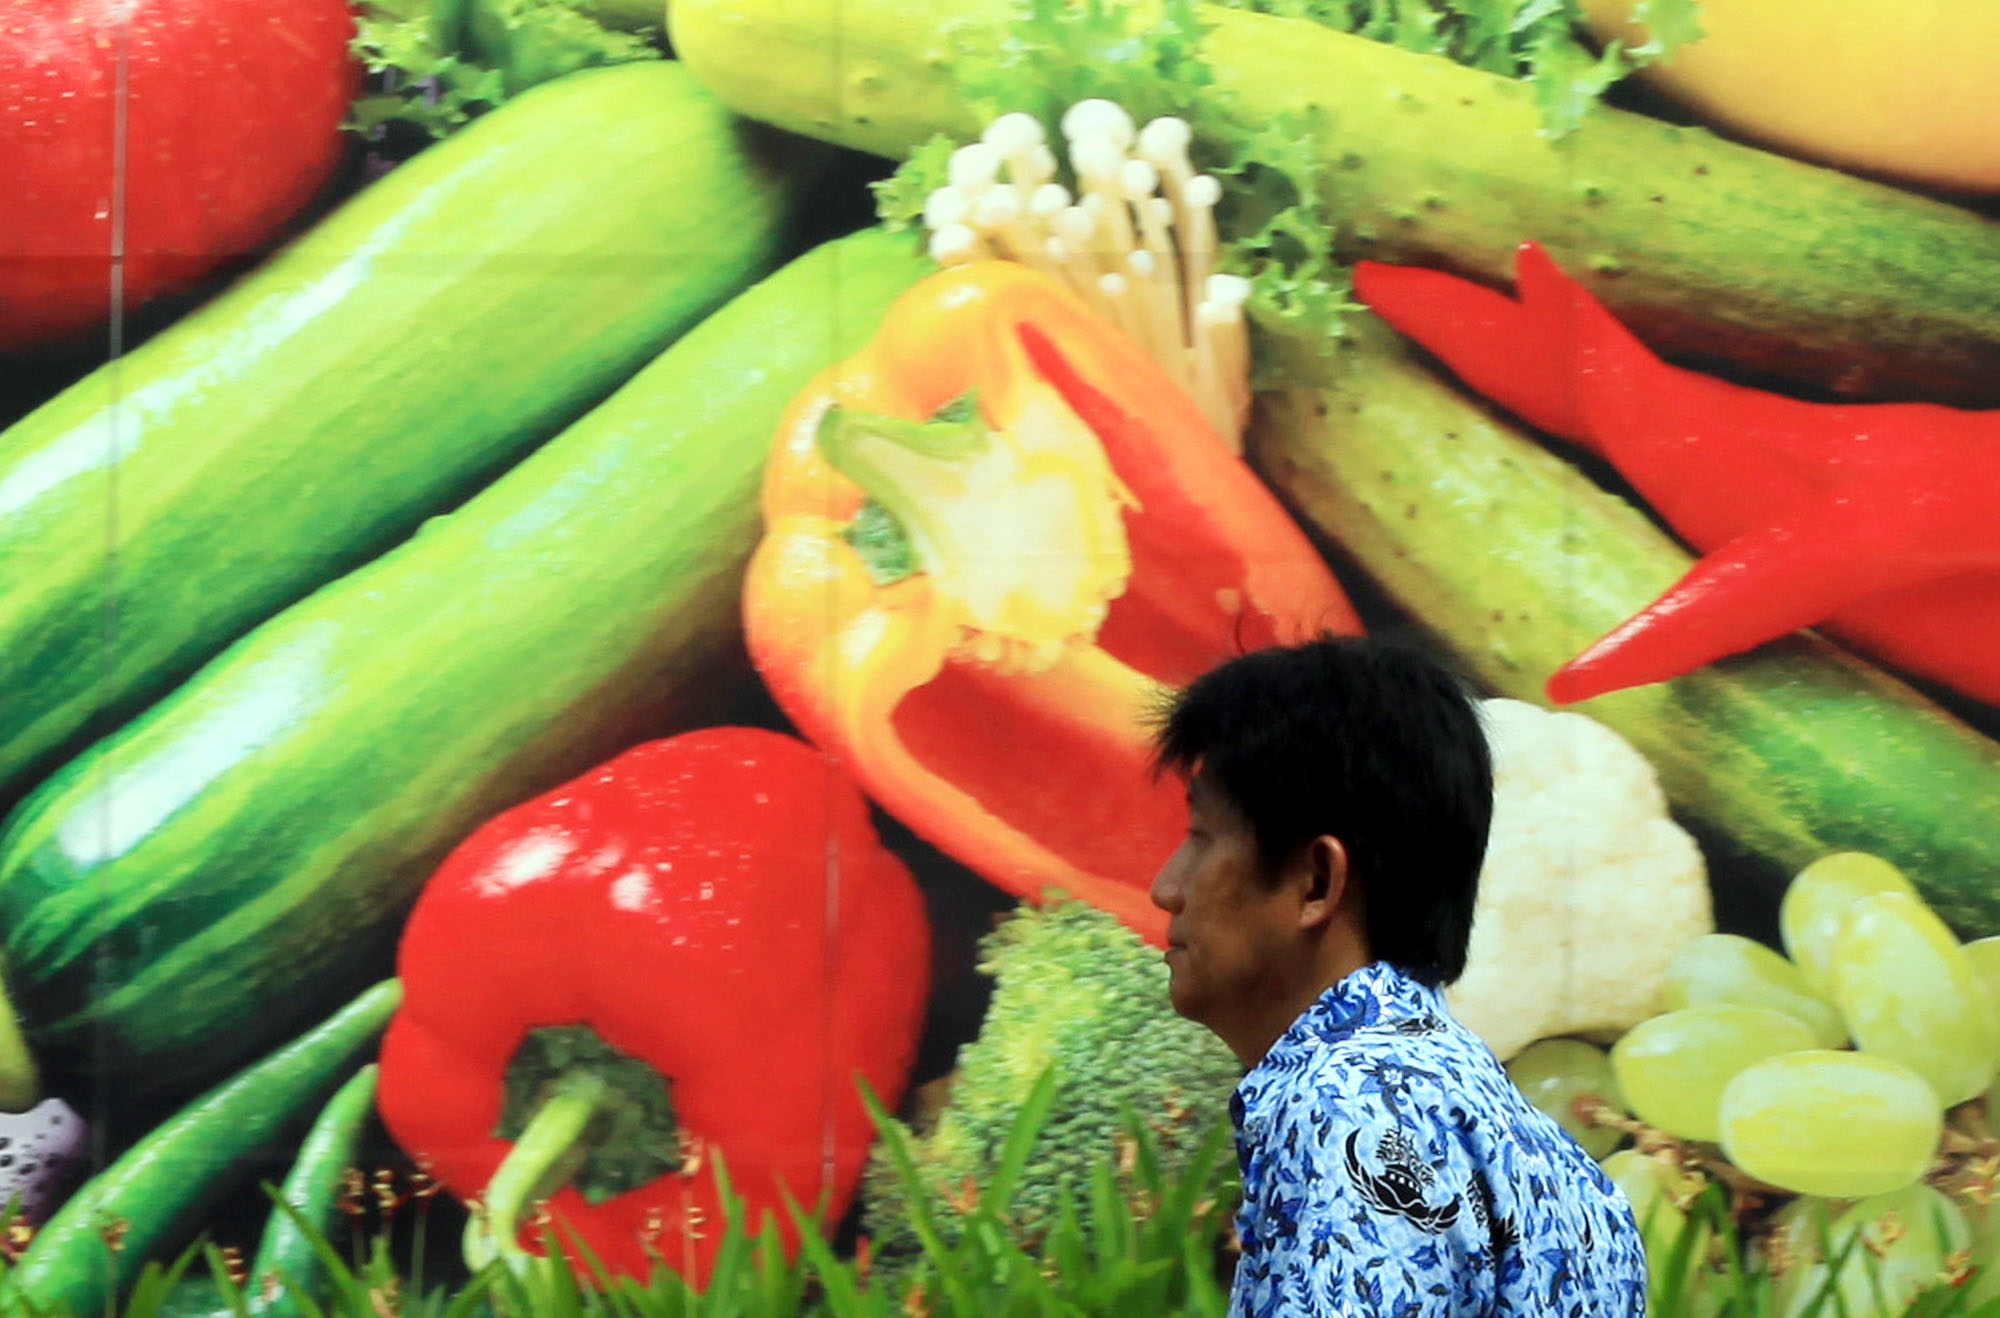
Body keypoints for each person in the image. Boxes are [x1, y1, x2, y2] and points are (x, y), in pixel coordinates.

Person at [1149, 635, 1648, 1316]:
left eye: (1202, 836)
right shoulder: (1560, 1164)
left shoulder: (1341, 1114)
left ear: (1315, 880)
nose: (1166, 886)